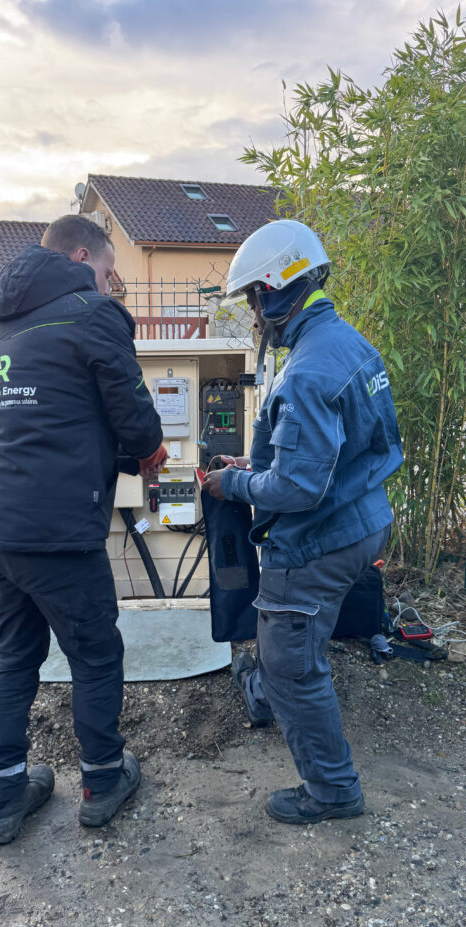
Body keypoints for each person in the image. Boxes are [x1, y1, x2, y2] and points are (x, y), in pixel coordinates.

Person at [0, 214, 167, 845]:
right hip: (53, 531)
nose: (109, 285)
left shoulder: (3, 323)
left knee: (16, 653)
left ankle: (3, 796)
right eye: (108, 271)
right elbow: (133, 416)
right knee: (95, 653)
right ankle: (103, 780)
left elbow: (57, 412)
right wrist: (148, 451)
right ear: (82, 257)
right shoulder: (93, 313)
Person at [202, 219, 403, 825]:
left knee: (292, 666)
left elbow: (298, 487)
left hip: (317, 541)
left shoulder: (308, 370)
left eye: (253, 299)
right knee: (295, 648)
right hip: (363, 520)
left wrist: (234, 483)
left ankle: (333, 791)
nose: (253, 314)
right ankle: (272, 694)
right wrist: (255, 463)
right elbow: (345, 449)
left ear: (273, 291)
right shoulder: (348, 344)